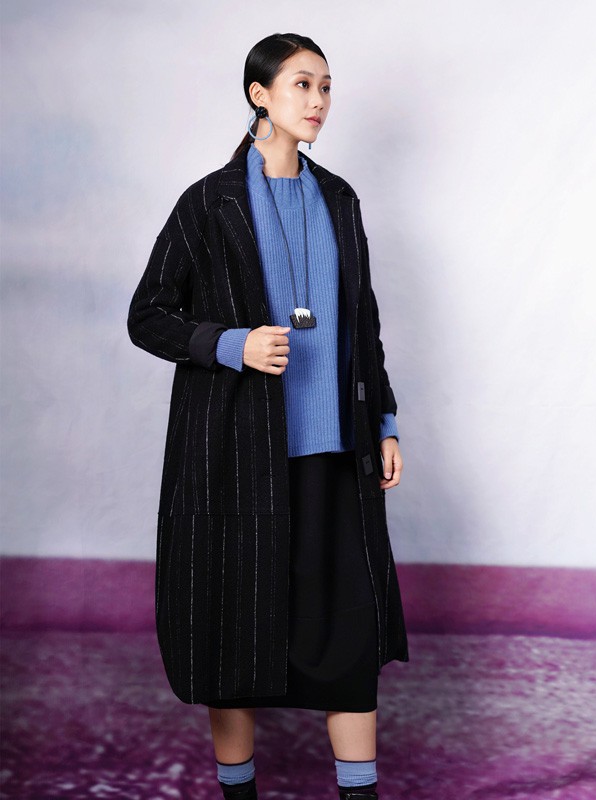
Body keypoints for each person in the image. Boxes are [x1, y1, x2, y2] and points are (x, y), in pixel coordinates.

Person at [127, 32, 409, 800]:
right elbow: (148, 315)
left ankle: (360, 793)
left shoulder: (340, 198)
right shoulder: (208, 203)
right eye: (302, 84)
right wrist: (231, 344)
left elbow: (363, 325)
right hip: (238, 455)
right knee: (234, 633)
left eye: (326, 86)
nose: (318, 101)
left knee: (348, 635)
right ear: (260, 94)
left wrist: (384, 423)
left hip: (337, 453)